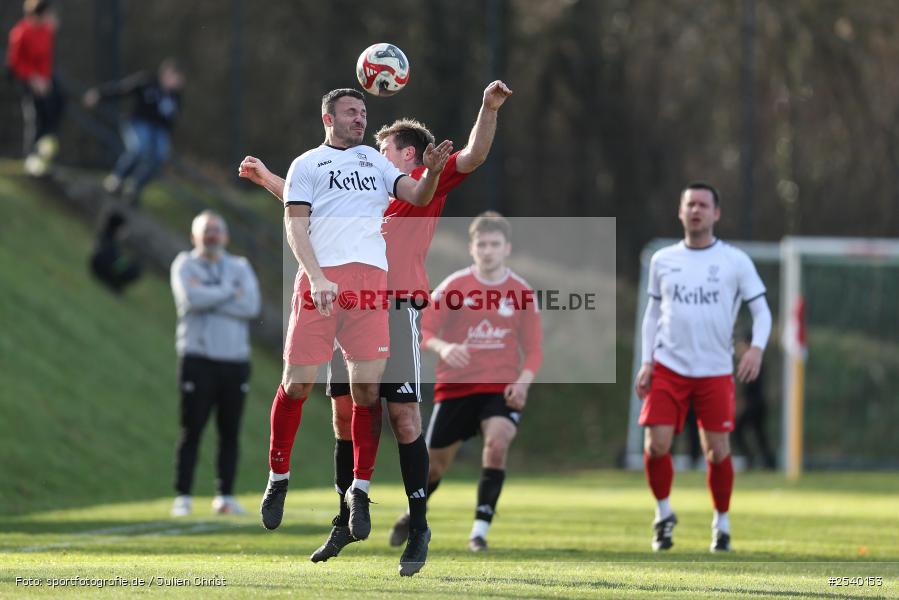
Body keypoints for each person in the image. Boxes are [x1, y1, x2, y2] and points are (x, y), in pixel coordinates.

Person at [239, 81, 512, 575]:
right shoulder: (363, 185)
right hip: (346, 301)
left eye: (383, 148)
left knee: (404, 418)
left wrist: (487, 108)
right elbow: (306, 207)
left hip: (396, 306)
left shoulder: (423, 179)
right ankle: (346, 515)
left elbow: (472, 155)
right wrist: (268, 180)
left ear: (406, 156)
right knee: (344, 417)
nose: (371, 154)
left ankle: (419, 526)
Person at [634, 182, 772, 553]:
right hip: (668, 367)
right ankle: (663, 515)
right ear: (681, 212)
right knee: (657, 444)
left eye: (703, 205)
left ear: (716, 213)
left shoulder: (734, 260)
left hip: (714, 370)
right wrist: (647, 361)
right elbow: (651, 315)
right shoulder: (663, 260)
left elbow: (761, 311)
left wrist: (756, 349)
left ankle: (721, 524)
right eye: (690, 204)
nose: (696, 210)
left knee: (717, 451)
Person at [396, 211, 542, 553]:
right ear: (472, 248)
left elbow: (534, 350)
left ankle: (479, 530)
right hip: (456, 388)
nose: (488, 250)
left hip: (499, 388)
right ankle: (412, 512)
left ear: (507, 248)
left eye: (494, 244)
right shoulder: (454, 287)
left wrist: (523, 382)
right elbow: (424, 332)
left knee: (498, 441)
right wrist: (445, 347)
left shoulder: (521, 292)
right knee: (432, 468)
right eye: (482, 244)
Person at [169, 210, 260, 517]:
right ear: (194, 236)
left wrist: (211, 295)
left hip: (234, 362)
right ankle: (183, 495)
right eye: (205, 231)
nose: (211, 236)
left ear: (226, 236)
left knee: (230, 431)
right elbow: (191, 299)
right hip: (198, 360)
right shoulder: (184, 264)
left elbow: (251, 305)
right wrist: (227, 293)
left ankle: (225, 495)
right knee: (192, 428)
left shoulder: (240, 266)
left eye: (216, 230)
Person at [83, 58, 185, 203]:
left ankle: (135, 186)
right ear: (168, 73)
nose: (177, 83)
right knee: (139, 148)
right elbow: (122, 89)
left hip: (159, 130)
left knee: (160, 157)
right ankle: (117, 178)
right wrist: (99, 94)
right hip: (138, 123)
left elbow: (173, 120)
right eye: (176, 78)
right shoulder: (147, 81)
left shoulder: (175, 96)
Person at [5, 0, 65, 176]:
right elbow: (15, 62)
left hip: (43, 79)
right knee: (35, 114)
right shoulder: (20, 32)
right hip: (25, 78)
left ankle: (44, 152)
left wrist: (45, 80)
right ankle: (30, 156)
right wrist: (33, 78)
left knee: (56, 106)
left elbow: (46, 60)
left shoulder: (46, 32)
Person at [733, 331, 776, 469]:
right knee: (760, 434)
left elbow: (751, 387)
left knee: (739, 431)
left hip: (754, 405)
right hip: (759, 404)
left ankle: (752, 460)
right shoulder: (757, 361)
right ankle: (768, 462)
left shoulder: (752, 362)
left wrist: (742, 404)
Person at [89, 210, 143, 294]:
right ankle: (113, 285)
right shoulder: (110, 243)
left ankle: (115, 285)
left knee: (133, 265)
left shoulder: (105, 237)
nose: (125, 233)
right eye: (124, 229)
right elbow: (114, 263)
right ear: (118, 228)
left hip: (97, 267)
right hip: (103, 270)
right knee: (136, 267)